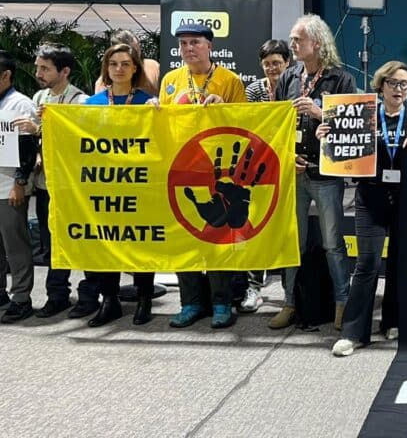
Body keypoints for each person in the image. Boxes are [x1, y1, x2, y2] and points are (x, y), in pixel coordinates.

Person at [328, 61, 407, 357]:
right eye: (393, 83)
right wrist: (328, 136)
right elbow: (340, 148)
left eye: (404, 84)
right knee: (367, 263)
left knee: (400, 261)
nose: (399, 89)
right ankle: (353, 332)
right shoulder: (363, 115)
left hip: (405, 198)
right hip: (369, 197)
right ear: (381, 85)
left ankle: (393, 320)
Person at [155, 22, 247, 329]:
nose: (188, 48)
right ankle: (191, 302)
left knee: (216, 236)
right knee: (185, 236)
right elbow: (162, 127)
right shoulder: (170, 80)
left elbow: (245, 124)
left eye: (195, 42)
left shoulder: (229, 80)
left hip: (218, 170)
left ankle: (222, 302)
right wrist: (153, 109)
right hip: (182, 168)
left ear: (210, 46)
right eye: (183, 44)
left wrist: (225, 107)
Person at [268, 15, 356, 331]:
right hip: (294, 172)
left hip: (327, 173)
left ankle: (341, 302)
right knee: (293, 242)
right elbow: (274, 126)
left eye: (297, 39)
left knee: (334, 242)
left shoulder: (340, 79)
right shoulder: (288, 78)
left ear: (316, 43)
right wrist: (287, 155)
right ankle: (291, 302)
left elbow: (352, 126)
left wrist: (322, 112)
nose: (292, 44)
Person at [10, 44, 96, 320]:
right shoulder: (39, 96)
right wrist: (35, 150)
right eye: (38, 67)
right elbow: (37, 141)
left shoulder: (80, 101)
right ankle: (57, 294)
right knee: (51, 243)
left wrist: (39, 129)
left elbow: (80, 142)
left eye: (45, 68)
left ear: (65, 71)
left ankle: (88, 294)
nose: (38, 73)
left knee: (79, 240)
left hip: (73, 186)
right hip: (46, 183)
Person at [82, 43, 155, 326]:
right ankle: (109, 300)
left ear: (135, 68)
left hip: (139, 184)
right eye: (114, 64)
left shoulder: (148, 101)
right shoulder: (92, 104)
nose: (119, 69)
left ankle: (144, 298)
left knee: (141, 241)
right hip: (106, 185)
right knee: (107, 242)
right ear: (107, 69)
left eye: (125, 64)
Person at [235, 38, 292, 314]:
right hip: (258, 169)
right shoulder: (254, 89)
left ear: (288, 63)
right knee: (254, 224)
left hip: (291, 166)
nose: (272, 69)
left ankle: (291, 295)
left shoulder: (295, 87)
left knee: (290, 229)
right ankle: (253, 286)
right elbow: (250, 125)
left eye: (277, 64)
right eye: (267, 64)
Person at [0, 51, 40, 323]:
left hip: (8, 187)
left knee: (15, 244)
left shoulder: (20, 105)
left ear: (6, 75)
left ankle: (22, 297)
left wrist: (19, 183)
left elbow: (27, 150)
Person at [95, 29, 159, 95]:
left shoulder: (153, 66)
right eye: (132, 50)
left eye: (138, 48)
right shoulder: (103, 84)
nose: (136, 53)